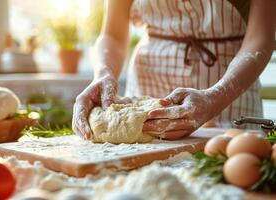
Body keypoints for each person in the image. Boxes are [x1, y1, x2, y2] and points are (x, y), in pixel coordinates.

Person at [73, 0, 276, 140]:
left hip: (229, 86)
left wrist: (214, 98)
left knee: (226, 169)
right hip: (148, 80)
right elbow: (113, 35)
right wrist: (103, 72)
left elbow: (260, 39)